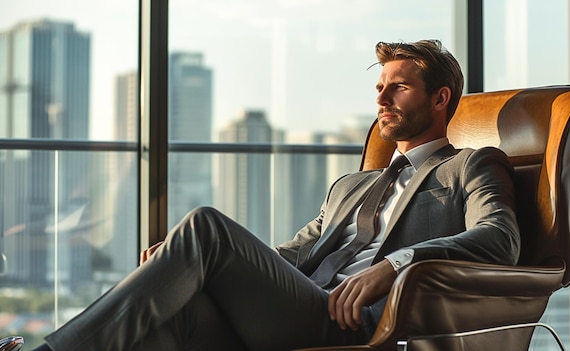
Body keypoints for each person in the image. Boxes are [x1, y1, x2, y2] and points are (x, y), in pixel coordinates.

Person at [30, 39, 520, 351]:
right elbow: (290, 254)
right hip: (298, 308)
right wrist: (182, 260)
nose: (381, 99)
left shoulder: (470, 165)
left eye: (400, 87)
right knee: (173, 322)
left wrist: (394, 265)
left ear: (440, 99)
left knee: (205, 224)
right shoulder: (351, 186)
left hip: (358, 323)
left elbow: (498, 239)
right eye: (379, 87)